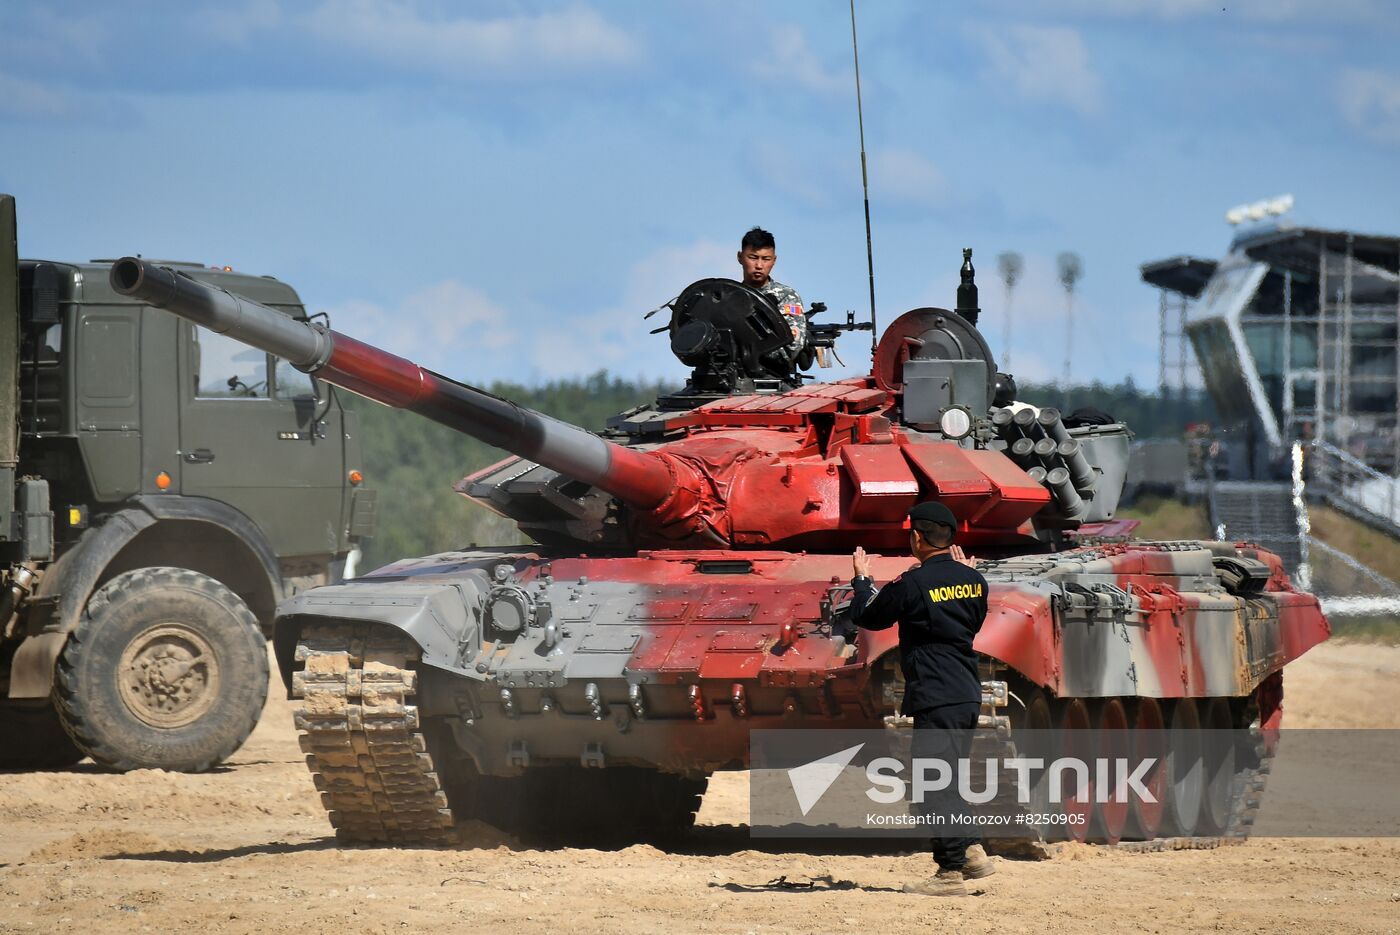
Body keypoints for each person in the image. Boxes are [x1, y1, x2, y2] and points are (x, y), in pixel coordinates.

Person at [849, 501, 995, 897]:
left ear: (916, 537)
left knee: (933, 783)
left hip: (934, 690)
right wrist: (966, 576)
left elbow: (868, 617)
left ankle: (950, 873)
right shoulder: (975, 581)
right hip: (965, 691)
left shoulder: (912, 583)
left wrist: (862, 582)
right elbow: (973, 621)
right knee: (947, 779)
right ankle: (972, 852)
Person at [736, 226, 807, 361]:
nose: (759, 265)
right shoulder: (728, 297)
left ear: (774, 260)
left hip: (769, 378)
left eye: (766, 259)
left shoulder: (786, 297)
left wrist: (745, 345)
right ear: (740, 257)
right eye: (753, 257)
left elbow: (791, 349)